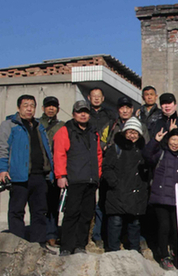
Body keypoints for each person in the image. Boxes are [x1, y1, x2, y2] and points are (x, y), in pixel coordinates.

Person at [0, 94, 54, 251]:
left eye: (32, 106)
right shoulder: (9, 125)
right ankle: (16, 245)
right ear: (18, 108)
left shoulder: (39, 126)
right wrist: (2, 169)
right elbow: (2, 148)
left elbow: (46, 149)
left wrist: (51, 170)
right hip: (18, 176)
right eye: (25, 105)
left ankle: (38, 244)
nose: (29, 108)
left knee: (40, 211)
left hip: (39, 175)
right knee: (16, 211)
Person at [53, 100, 102, 256]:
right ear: (74, 113)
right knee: (71, 213)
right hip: (74, 179)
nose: (83, 114)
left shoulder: (93, 132)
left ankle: (81, 245)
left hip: (90, 181)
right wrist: (61, 175)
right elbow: (59, 154)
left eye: (85, 112)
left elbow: (98, 155)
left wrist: (97, 175)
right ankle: (66, 246)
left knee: (87, 214)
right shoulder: (65, 131)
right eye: (80, 111)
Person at [143, 128, 178, 270]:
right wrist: (155, 140)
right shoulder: (161, 153)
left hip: (177, 199)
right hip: (161, 198)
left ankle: (177, 255)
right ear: (168, 140)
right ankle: (164, 256)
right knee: (164, 227)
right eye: (173, 139)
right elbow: (146, 155)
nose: (175, 143)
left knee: (177, 228)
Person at [102, 118, 149, 252]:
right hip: (118, 192)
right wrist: (114, 183)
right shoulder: (116, 148)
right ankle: (112, 250)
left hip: (136, 192)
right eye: (129, 132)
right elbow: (107, 168)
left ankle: (134, 250)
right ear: (124, 133)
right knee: (115, 222)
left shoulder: (143, 150)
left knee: (134, 224)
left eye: (135, 132)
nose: (132, 135)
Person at [39, 96, 64, 247]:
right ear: (43, 108)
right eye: (48, 106)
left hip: (56, 170)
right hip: (39, 170)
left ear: (58, 109)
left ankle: (52, 234)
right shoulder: (36, 124)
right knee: (39, 205)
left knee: (54, 204)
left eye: (54, 106)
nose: (51, 108)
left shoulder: (62, 126)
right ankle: (41, 233)